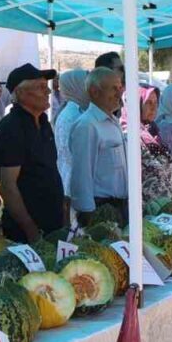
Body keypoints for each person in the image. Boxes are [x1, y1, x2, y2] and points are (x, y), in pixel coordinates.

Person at [0, 64, 63, 241]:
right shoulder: (12, 128)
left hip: (51, 222)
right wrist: (30, 228)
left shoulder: (43, 122)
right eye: (40, 87)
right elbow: (8, 186)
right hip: (27, 230)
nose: (47, 91)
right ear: (21, 93)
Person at [68, 67, 128, 226]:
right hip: (100, 209)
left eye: (120, 88)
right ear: (95, 92)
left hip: (119, 207)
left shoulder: (112, 121)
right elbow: (81, 175)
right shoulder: (87, 126)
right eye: (113, 89)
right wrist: (88, 215)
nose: (119, 93)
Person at [134, 85, 172, 203]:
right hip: (144, 211)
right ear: (137, 104)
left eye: (156, 103)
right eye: (148, 103)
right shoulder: (130, 136)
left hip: (165, 207)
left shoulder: (154, 131)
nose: (153, 108)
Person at [54, 68, 89, 199]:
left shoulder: (82, 111)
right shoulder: (69, 116)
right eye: (86, 84)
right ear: (76, 86)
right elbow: (71, 156)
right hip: (73, 185)